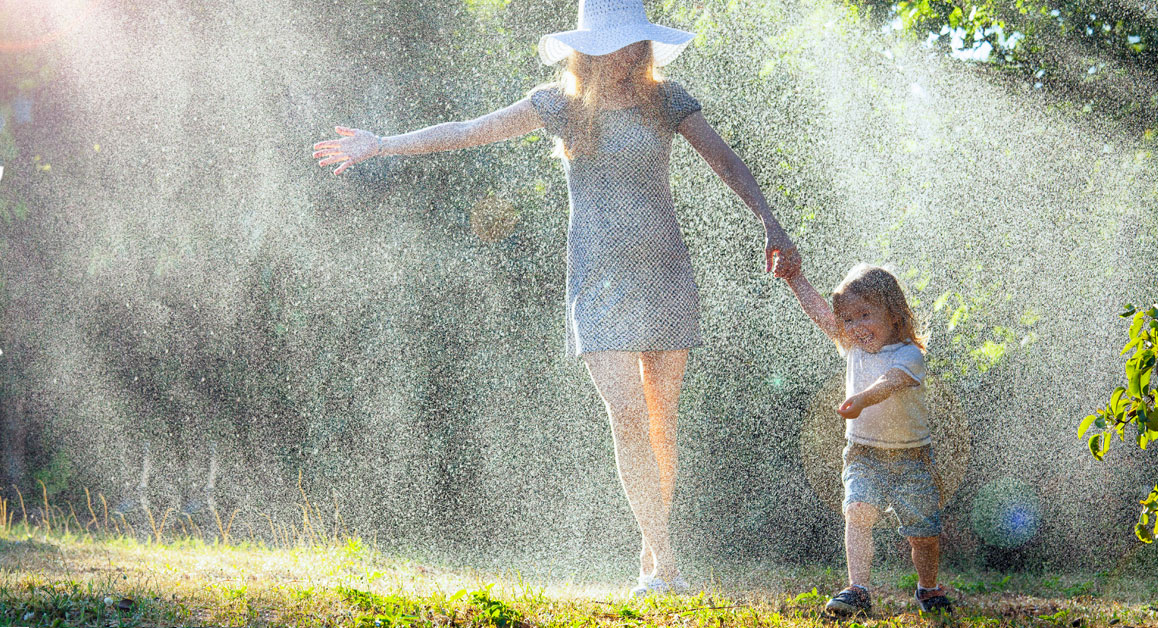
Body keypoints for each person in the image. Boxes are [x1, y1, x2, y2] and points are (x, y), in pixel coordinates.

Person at [313, 0, 797, 596]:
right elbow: (468, 132)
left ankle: (652, 549)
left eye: (628, 43)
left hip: (663, 272)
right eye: (608, 44)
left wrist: (770, 223)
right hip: (597, 280)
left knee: (661, 421)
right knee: (626, 414)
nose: (620, 54)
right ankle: (665, 558)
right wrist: (380, 144)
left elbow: (727, 163)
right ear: (586, 49)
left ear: (641, 45)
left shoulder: (666, 101)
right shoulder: (559, 106)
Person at [773, 257, 953, 614]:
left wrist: (861, 400)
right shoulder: (853, 346)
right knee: (857, 511)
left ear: (894, 314)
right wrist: (795, 279)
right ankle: (857, 589)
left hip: (912, 458)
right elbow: (822, 314)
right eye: (849, 319)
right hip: (863, 453)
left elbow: (890, 383)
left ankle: (928, 588)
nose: (855, 326)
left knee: (923, 534)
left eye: (865, 315)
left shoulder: (909, 354)